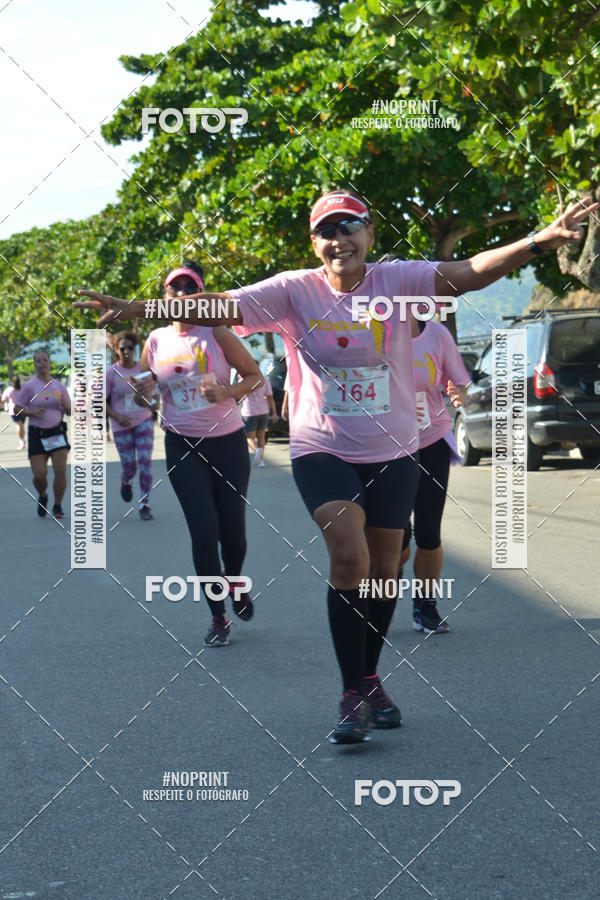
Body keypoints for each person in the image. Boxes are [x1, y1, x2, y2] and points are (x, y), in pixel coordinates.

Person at [76, 191, 597, 743]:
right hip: (320, 446)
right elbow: (218, 304)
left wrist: (539, 239)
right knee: (349, 554)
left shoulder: (398, 283)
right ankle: (352, 693)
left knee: (383, 571)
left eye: (349, 227)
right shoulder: (293, 290)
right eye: (326, 230)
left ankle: (369, 677)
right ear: (314, 244)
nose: (338, 239)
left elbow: (467, 272)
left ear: (370, 235)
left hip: (395, 450)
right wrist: (139, 310)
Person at [131, 262, 264, 645]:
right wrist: (142, 394)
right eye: (175, 288)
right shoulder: (155, 340)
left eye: (191, 288)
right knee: (204, 533)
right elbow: (146, 388)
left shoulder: (217, 332)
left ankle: (235, 582)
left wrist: (226, 393)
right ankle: (218, 617)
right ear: (165, 295)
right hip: (182, 444)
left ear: (201, 296)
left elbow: (253, 376)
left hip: (227, 442)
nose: (182, 294)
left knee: (233, 537)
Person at [401, 312, 469, 634]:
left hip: (431, 439)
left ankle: (426, 607)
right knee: (395, 537)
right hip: (384, 446)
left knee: (428, 531)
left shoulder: (437, 335)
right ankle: (382, 596)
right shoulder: (366, 336)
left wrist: (459, 391)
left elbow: (457, 379)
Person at [106, 331, 158, 520]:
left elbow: (155, 397)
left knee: (145, 462)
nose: (127, 351)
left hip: (143, 420)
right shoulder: (111, 373)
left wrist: (154, 405)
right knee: (130, 467)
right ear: (116, 351)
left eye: (130, 348)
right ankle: (126, 480)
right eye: (123, 348)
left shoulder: (143, 370)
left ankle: (144, 504)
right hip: (122, 425)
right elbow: (101, 401)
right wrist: (118, 417)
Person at [14, 350, 71, 518]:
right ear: (35, 365)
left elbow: (69, 409)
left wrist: (69, 407)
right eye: (38, 361)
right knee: (39, 475)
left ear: (50, 363)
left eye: (45, 360)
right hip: (37, 434)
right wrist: (31, 413)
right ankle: (43, 495)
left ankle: (58, 505)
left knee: (60, 471)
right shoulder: (30, 386)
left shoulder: (59, 386)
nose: (42, 363)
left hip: (57, 432)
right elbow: (17, 409)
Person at [241, 373, 278, 467]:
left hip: (249, 412)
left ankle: (257, 451)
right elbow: (270, 398)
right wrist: (274, 413)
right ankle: (260, 461)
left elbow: (238, 397)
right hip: (263, 412)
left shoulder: (243, 381)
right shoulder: (264, 381)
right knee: (261, 437)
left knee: (249, 437)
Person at [2, 376, 26, 449]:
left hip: (13, 410)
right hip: (23, 409)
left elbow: (3, 400)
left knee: (18, 425)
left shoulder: (9, 390)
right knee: (21, 425)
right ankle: (22, 440)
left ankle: (21, 441)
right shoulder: (23, 389)